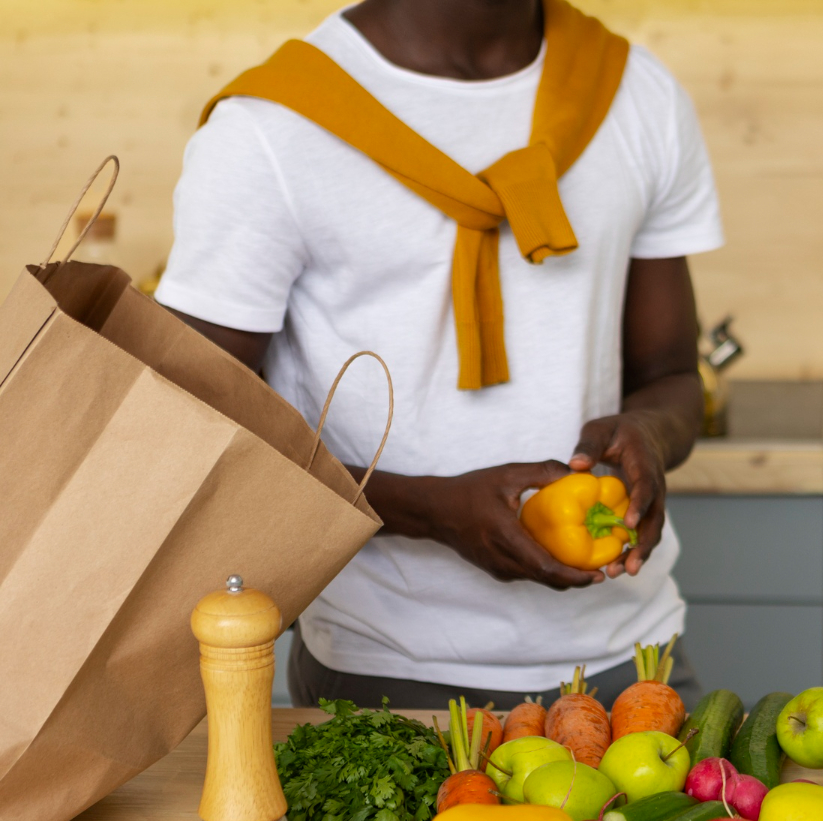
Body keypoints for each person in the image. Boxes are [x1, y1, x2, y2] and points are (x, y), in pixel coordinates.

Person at [154, 0, 719, 710]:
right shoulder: (272, 129)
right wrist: (429, 511)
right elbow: (193, 436)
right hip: (384, 669)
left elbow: (670, 375)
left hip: (637, 660)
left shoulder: (637, 93)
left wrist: (650, 437)